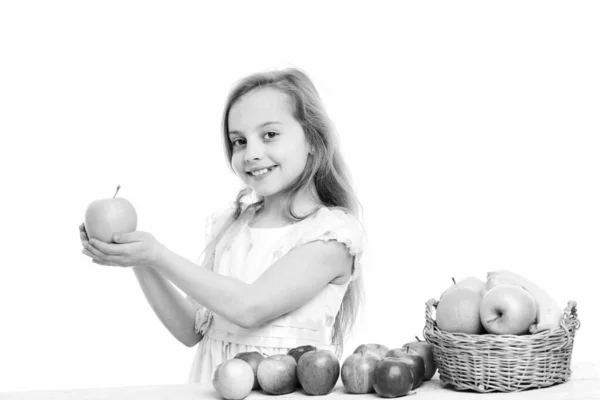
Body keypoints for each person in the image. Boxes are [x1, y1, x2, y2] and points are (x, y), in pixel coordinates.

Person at [79, 67, 366, 384]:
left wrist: (158, 254)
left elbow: (250, 307)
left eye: (269, 134)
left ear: (313, 139)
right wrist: (140, 260)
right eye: (239, 141)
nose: (252, 153)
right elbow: (191, 330)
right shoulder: (232, 227)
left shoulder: (332, 236)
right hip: (215, 388)